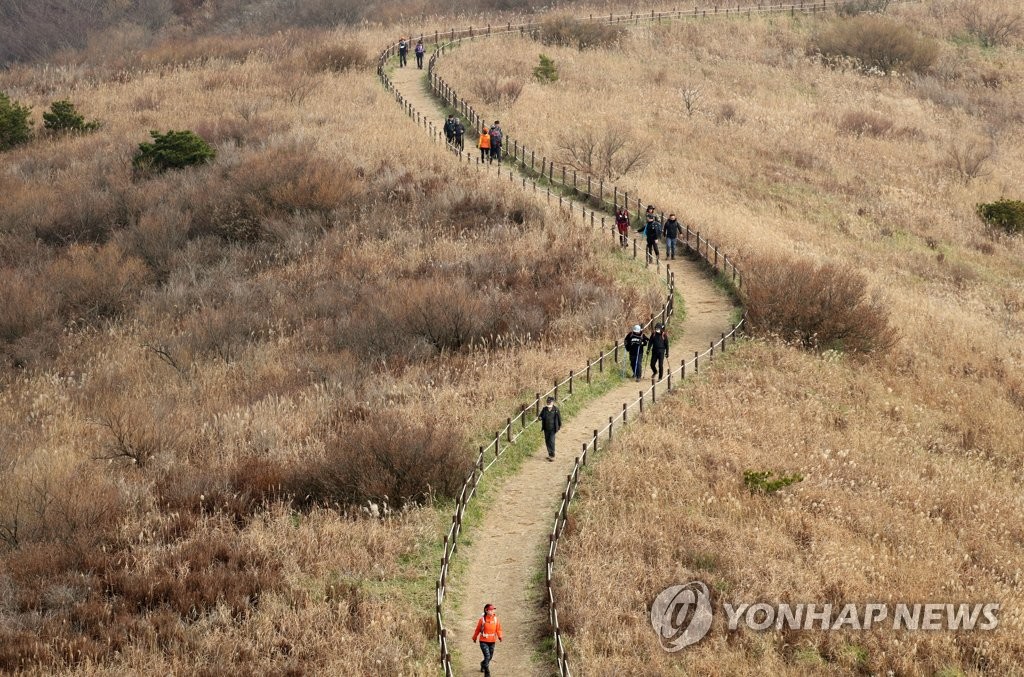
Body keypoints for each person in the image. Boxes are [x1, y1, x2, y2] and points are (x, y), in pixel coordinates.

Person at [472, 603, 503, 677]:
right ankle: (487, 672)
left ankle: (483, 664)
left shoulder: (496, 619)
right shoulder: (482, 620)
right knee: (487, 656)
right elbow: (477, 630)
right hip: (483, 641)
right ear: (486, 611)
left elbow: (498, 629)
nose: (492, 611)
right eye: (491, 610)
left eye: (493, 610)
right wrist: (474, 637)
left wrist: (500, 636)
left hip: (492, 641)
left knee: (490, 657)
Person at [539, 396, 561, 461]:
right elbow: (540, 416)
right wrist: (539, 418)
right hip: (546, 428)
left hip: (553, 429)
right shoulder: (544, 409)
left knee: (551, 441)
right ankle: (549, 454)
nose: (548, 403)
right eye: (547, 402)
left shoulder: (556, 410)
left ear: (552, 402)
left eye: (549, 402)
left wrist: (558, 427)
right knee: (547, 441)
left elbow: (559, 419)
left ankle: (552, 455)